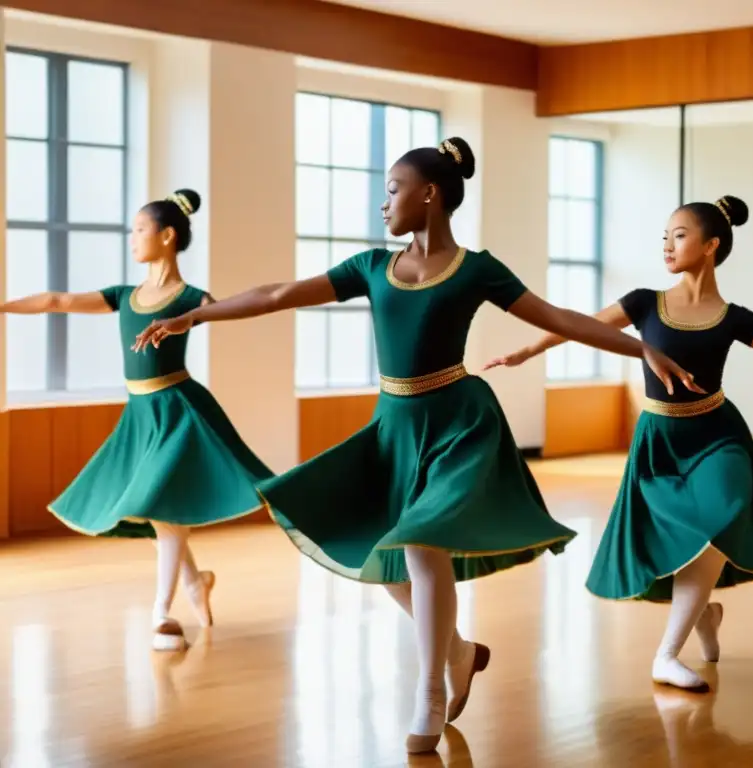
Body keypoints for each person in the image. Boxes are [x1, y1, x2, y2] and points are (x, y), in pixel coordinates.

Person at [131, 138, 698, 753]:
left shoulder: (477, 268)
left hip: (458, 422)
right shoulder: (371, 268)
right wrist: (198, 317)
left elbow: (559, 317)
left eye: (393, 190)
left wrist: (640, 346)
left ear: (429, 194)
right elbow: (275, 294)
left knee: (423, 545)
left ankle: (428, 691)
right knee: (385, 551)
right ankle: (456, 651)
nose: (384, 203)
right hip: (393, 427)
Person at [485, 196, 753, 693]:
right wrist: (528, 351)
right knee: (687, 534)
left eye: (678, 235)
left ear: (710, 245)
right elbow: (582, 325)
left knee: (726, 511)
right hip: (659, 440)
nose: (666, 244)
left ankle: (665, 655)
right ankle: (703, 610)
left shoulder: (733, 317)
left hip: (718, 433)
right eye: (664, 236)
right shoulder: (644, 302)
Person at [1, 189, 273, 652]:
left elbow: (222, 309)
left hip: (180, 411)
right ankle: (196, 582)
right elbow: (57, 300)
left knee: (162, 510)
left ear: (167, 236)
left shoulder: (191, 297)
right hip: (141, 415)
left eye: (140, 230)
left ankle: (161, 616)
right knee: (159, 512)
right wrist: (4, 308)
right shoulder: (124, 297)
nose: (132, 240)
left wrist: (195, 314)